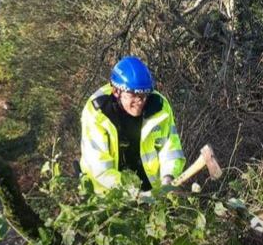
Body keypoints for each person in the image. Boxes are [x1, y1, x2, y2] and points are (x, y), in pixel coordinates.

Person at [79, 56, 185, 193]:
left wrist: (169, 178)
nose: (140, 101)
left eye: (144, 95)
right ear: (116, 91)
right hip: (107, 196)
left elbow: (171, 150)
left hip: (153, 193)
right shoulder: (97, 112)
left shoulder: (160, 107)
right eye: (133, 95)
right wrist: (133, 193)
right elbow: (99, 169)